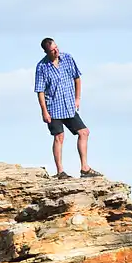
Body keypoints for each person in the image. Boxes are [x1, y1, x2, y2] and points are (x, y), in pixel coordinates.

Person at [34, 38, 102, 180]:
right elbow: (40, 91)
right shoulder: (41, 67)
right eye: (53, 50)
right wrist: (44, 111)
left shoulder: (67, 58)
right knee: (59, 137)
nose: (56, 51)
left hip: (69, 106)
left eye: (57, 47)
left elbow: (77, 78)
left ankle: (85, 168)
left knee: (84, 132)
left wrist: (77, 98)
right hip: (53, 107)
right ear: (47, 51)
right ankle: (60, 171)